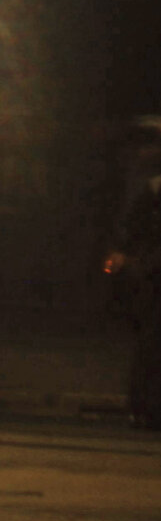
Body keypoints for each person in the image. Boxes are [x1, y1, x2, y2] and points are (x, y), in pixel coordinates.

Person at [106, 128, 161, 429]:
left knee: (150, 342)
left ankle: (144, 406)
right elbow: (134, 225)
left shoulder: (147, 186)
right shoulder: (150, 188)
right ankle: (145, 407)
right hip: (152, 273)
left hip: (149, 271)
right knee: (151, 341)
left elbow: (131, 225)